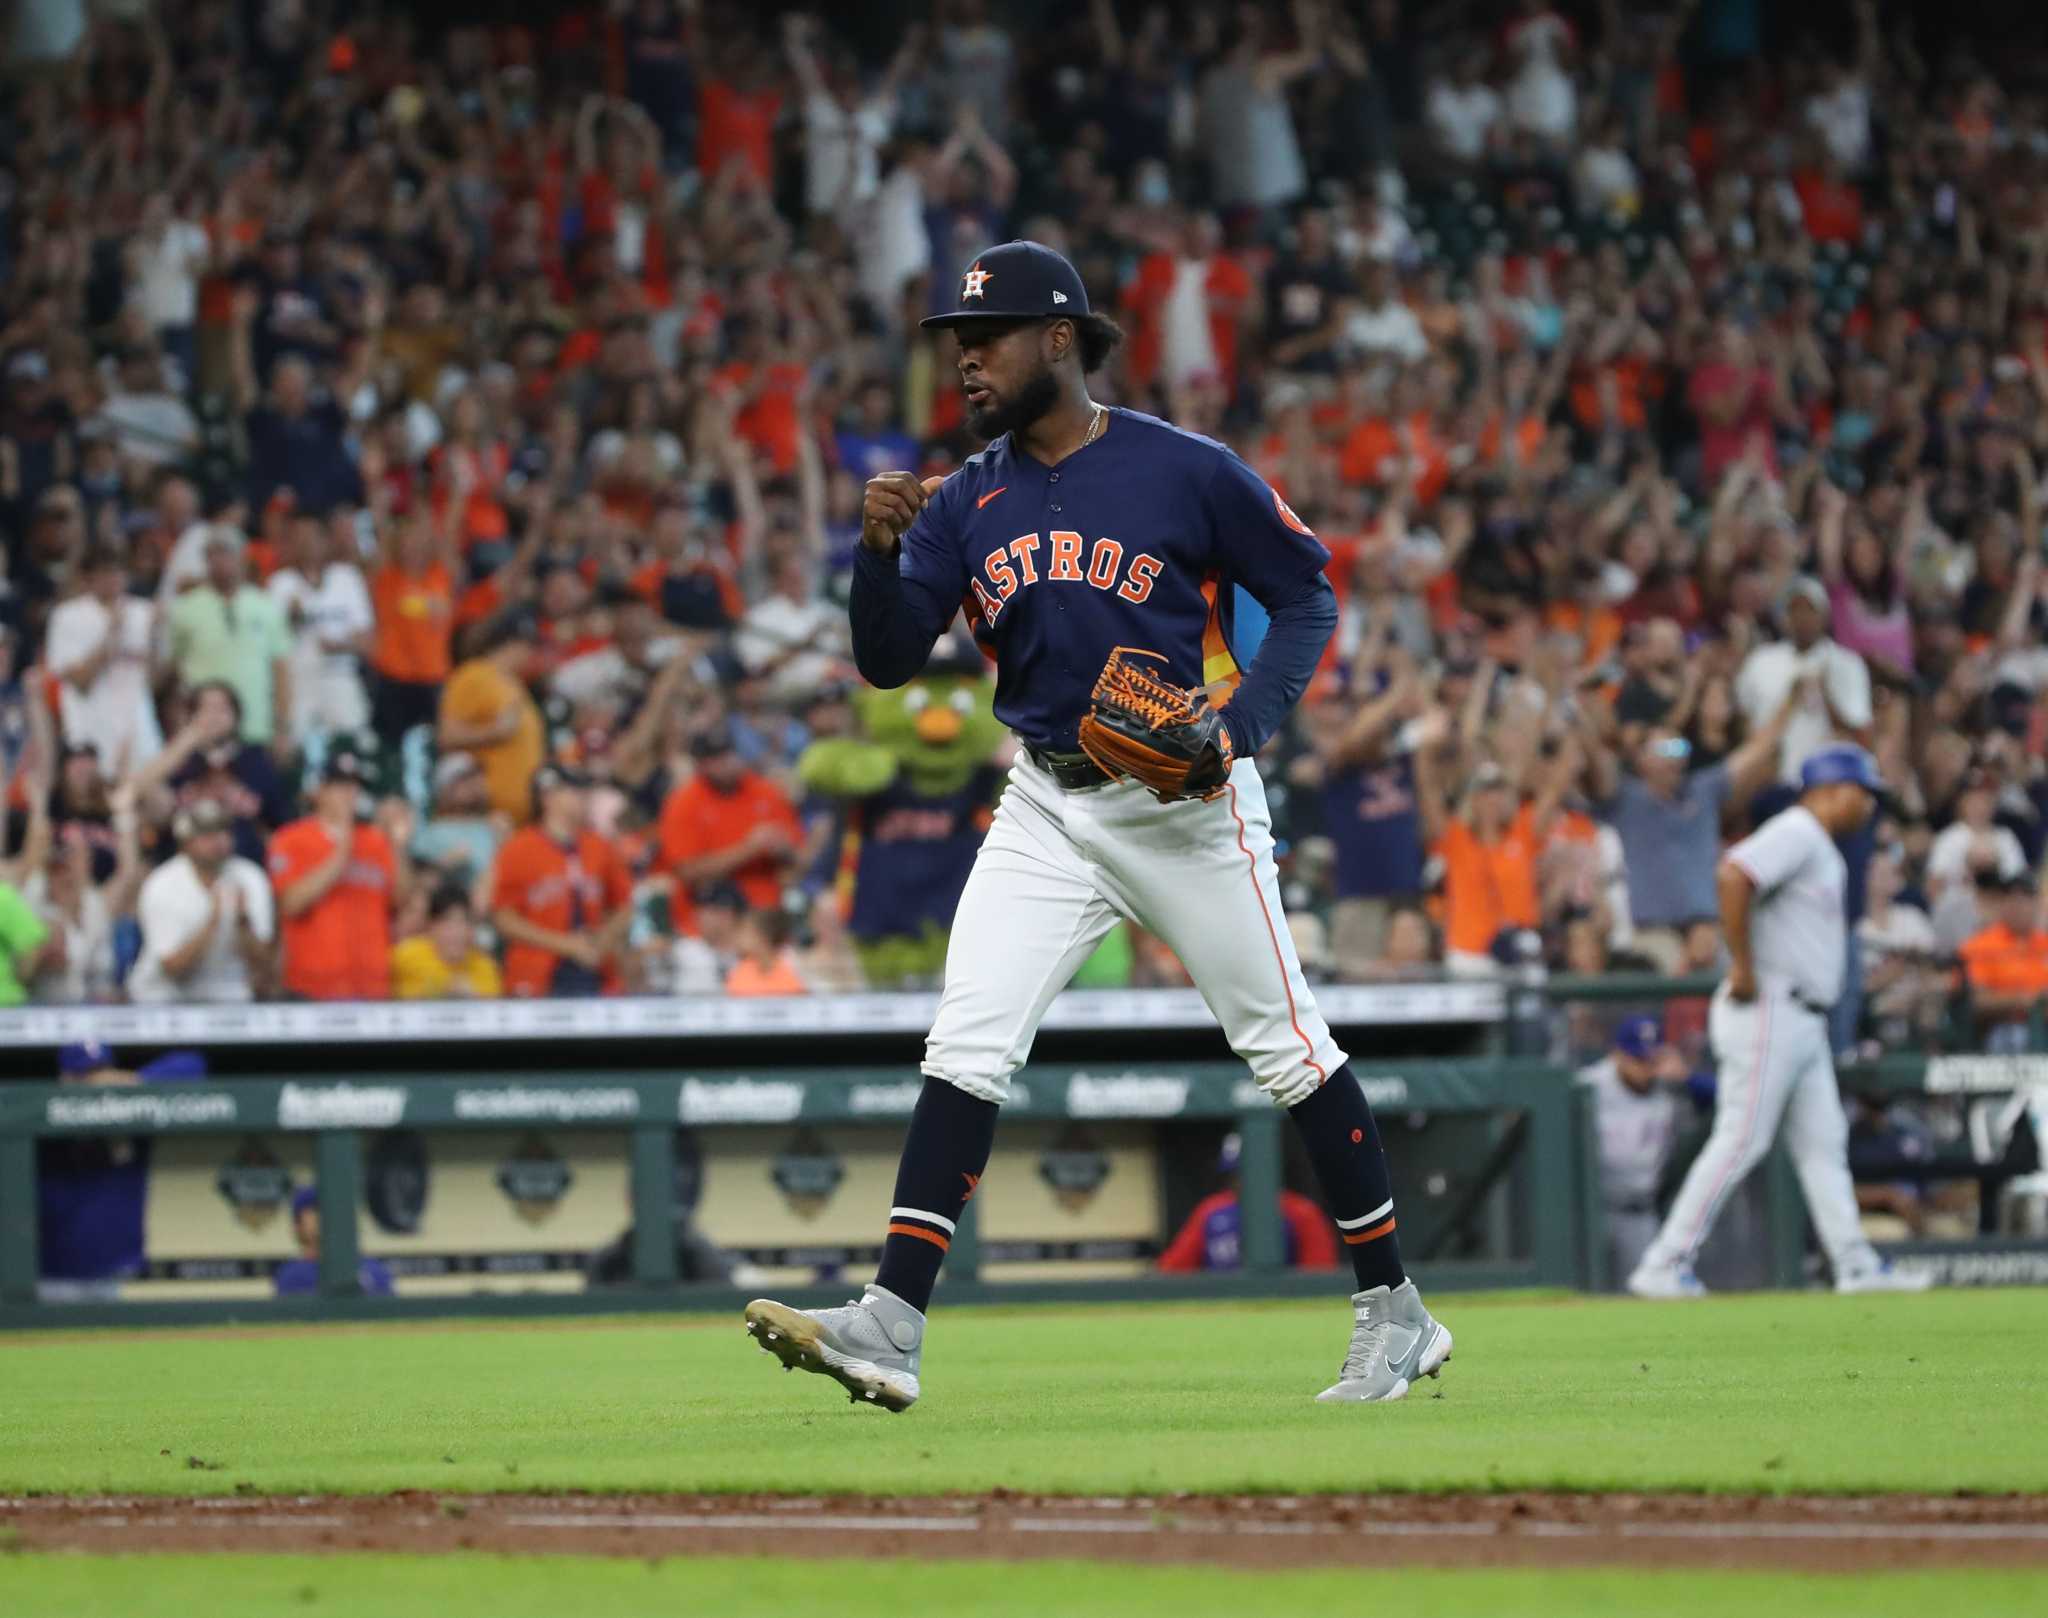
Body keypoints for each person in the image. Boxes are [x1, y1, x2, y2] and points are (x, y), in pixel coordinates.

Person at [744, 241, 1449, 1410]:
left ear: (1060, 339)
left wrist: (1241, 728)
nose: (965, 360)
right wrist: (874, 559)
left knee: (1285, 1049)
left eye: (990, 338)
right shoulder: (964, 500)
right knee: (965, 1046)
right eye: (956, 344)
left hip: (1182, 802)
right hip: (1046, 802)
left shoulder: (1183, 468)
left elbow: (1308, 591)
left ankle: (1395, 1310)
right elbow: (882, 663)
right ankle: (890, 1322)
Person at [1627, 746, 1932, 1298]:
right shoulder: (1797, 830)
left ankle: (1854, 1264)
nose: (1868, 807)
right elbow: (1734, 873)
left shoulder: (1819, 845)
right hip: (1769, 1006)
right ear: (1833, 789)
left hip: (1803, 1019)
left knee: (1823, 1145)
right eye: (1864, 794)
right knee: (1741, 1140)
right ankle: (1665, 1261)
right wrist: (1741, 964)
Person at [37, 1042, 208, 1301]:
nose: (95, 1086)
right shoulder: (42, 1120)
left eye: (101, 1074)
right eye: (84, 1077)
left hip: (116, 1274)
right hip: (53, 1276)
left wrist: (136, 1081)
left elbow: (194, 1064)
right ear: (64, 1079)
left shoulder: (132, 1117)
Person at [489, 765, 633, 997]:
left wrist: (603, 940)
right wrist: (564, 944)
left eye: (583, 790)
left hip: (594, 968)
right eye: (573, 790)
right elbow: (504, 919)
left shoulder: (599, 846)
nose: (583, 796)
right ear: (548, 797)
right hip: (537, 973)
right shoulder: (517, 849)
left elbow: (625, 905)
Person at [268, 749, 400, 1001]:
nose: (349, 794)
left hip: (371, 985)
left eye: (354, 786)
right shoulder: (290, 839)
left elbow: (401, 902)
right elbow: (291, 903)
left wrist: (397, 844)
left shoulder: (376, 841)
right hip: (312, 986)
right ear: (318, 791)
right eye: (340, 785)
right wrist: (343, 850)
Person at [657, 723, 802, 938]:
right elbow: (688, 872)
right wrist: (749, 848)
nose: (726, 763)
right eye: (716, 758)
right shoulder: (683, 803)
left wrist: (782, 848)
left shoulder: (765, 792)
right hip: (706, 924)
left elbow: (796, 856)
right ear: (702, 765)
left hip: (765, 918)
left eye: (729, 754)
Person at [127, 799, 275, 1004]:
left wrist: (243, 923)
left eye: (224, 832)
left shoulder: (250, 877)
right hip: (164, 996)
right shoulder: (163, 884)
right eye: (208, 834)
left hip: (226, 994)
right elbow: (172, 969)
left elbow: (265, 964)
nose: (219, 841)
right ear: (185, 843)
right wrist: (212, 923)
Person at [1577, 1016, 1686, 1285]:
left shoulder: (1670, 1087)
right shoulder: (1589, 1084)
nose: (1645, 1067)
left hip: (1640, 1211)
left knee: (1643, 1293)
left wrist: (1690, 1078)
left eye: (1652, 1059)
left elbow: (1725, 1099)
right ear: (1617, 1055)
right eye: (1638, 1059)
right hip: (1592, 1211)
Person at [165, 533, 294, 753]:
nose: (221, 560)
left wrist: (282, 728)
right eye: (214, 554)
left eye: (227, 553)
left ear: (242, 558)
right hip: (201, 732)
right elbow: (175, 674)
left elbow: (281, 670)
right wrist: (179, 725)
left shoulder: (266, 606)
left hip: (256, 730)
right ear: (205, 560)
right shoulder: (185, 608)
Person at [45, 545, 161, 774]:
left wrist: (157, 639)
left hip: (138, 728)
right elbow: (80, 682)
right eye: (106, 572)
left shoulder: (143, 612)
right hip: (88, 729)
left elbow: (154, 683)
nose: (114, 579)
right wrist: (111, 636)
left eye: (119, 571)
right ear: (88, 578)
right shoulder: (67, 616)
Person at [1157, 1132, 1340, 1273]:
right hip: (1220, 1308)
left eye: (1248, 1171)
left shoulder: (1300, 1211)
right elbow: (1172, 1270)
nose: (1239, 1180)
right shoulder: (1211, 1210)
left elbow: (1321, 1274)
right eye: (1235, 1174)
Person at [438, 610, 546, 824]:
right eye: (529, 647)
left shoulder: (515, 684)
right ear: (513, 644)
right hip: (483, 817)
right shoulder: (473, 674)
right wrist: (494, 732)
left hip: (520, 820)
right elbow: (446, 736)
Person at [272, 1186, 396, 1298]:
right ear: (297, 1225)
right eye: (317, 1209)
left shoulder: (375, 1270)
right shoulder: (291, 1275)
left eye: (335, 1208)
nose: (328, 1215)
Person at [391, 883, 504, 999]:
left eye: (464, 922)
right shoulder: (405, 957)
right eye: (448, 923)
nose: (457, 932)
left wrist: (473, 997)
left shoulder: (485, 968)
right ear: (431, 926)